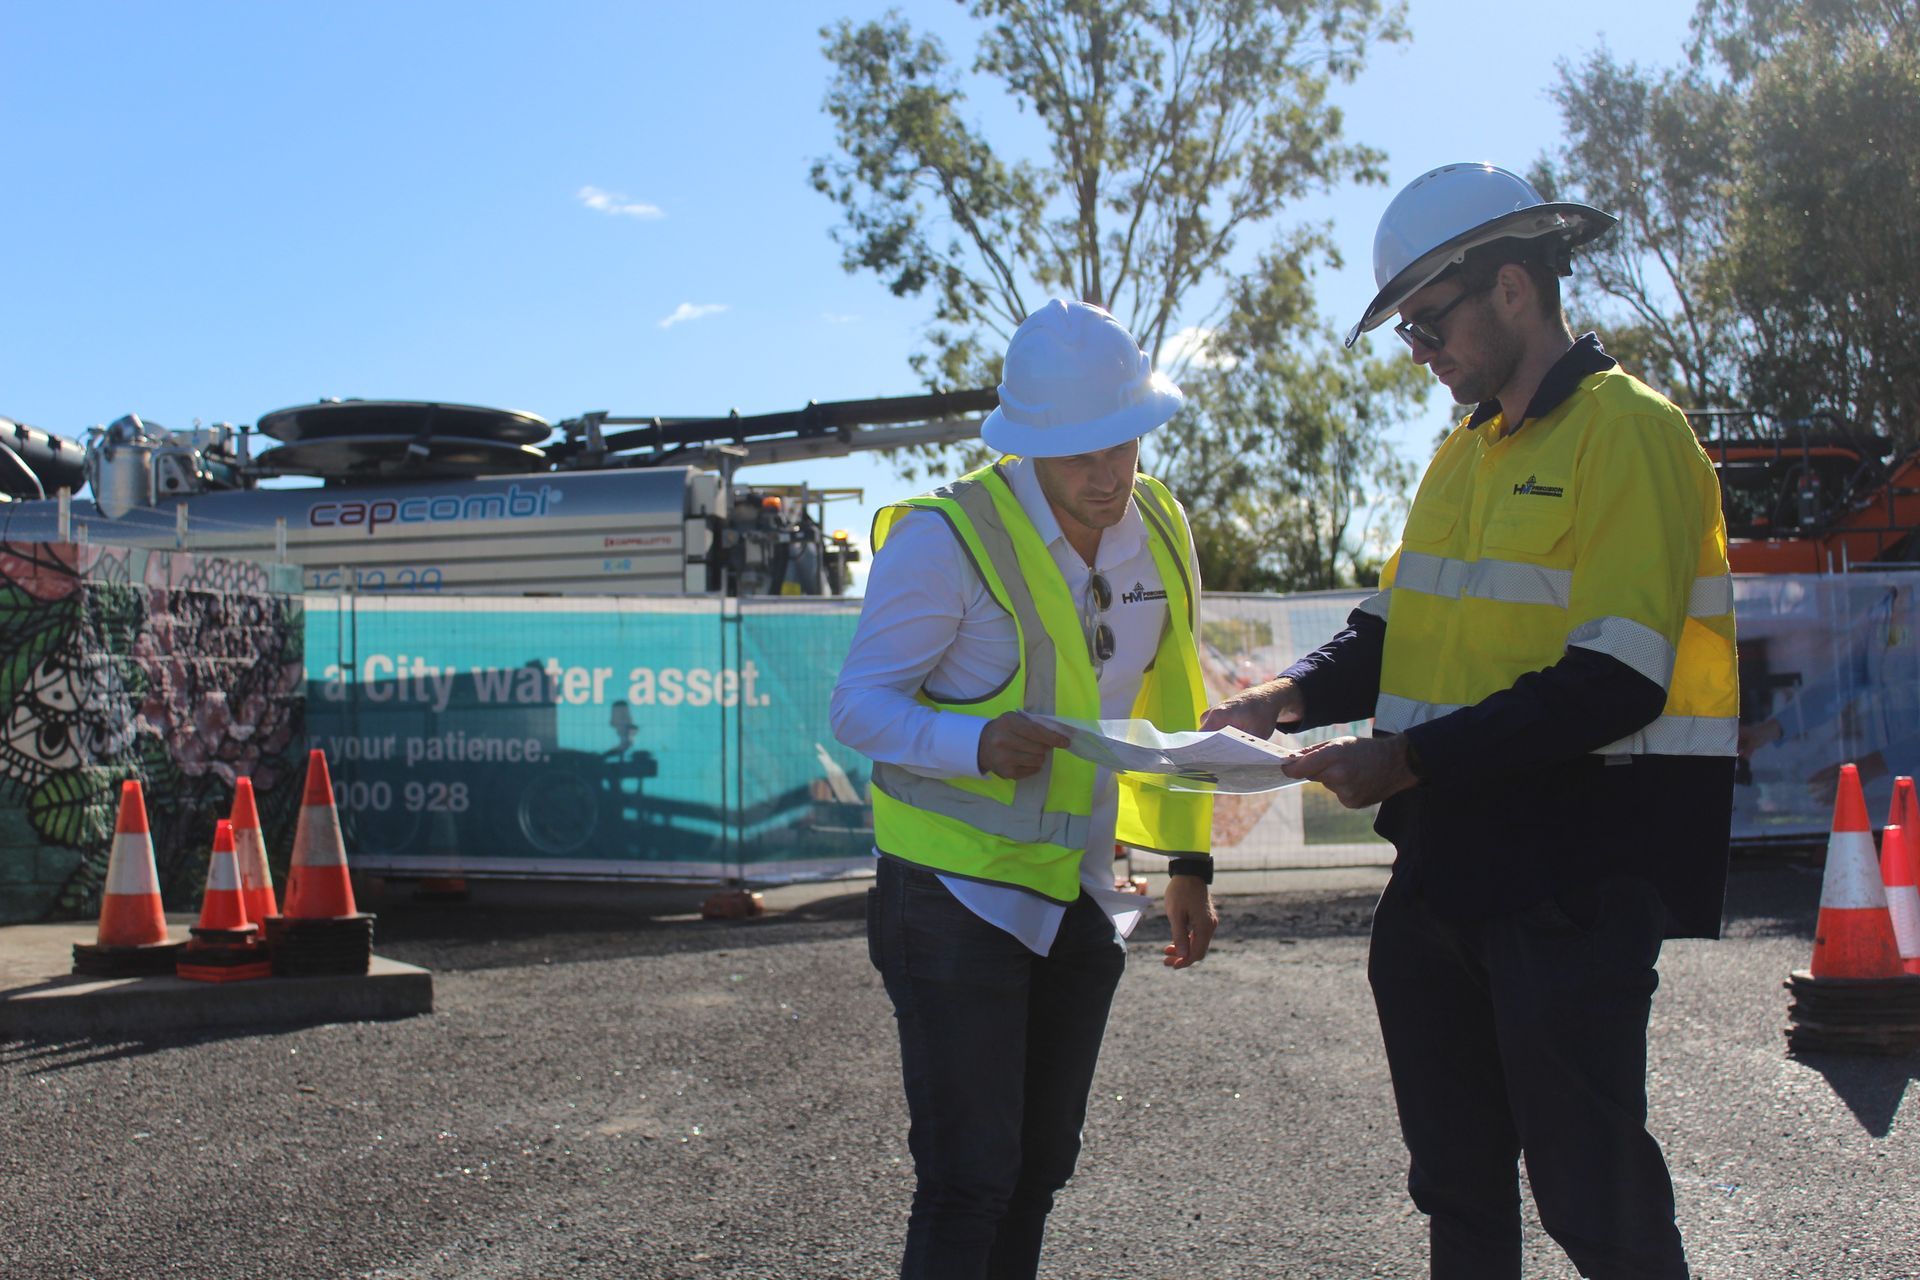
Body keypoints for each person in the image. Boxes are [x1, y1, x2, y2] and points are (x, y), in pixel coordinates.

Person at [1206, 162, 1738, 1279]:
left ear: (1511, 288)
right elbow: (1390, 628)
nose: (1418, 350)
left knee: (1595, 1199)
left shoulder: (1630, 432)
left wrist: (1406, 757)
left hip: (1574, 873)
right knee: (1456, 1191)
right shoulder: (1463, 453)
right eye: (1407, 329)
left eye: (1427, 321)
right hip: (1445, 864)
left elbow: (1617, 679)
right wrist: (1284, 695)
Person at [831, 298, 1219, 1280]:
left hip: (1078, 892)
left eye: (1123, 442)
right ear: (1027, 443)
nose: (1109, 473)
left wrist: (1189, 857)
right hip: (953, 899)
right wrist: (971, 742)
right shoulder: (944, 539)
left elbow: (1175, 699)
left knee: (1039, 1168)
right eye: (1081, 452)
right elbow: (857, 706)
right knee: (969, 1180)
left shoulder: (1158, 523)